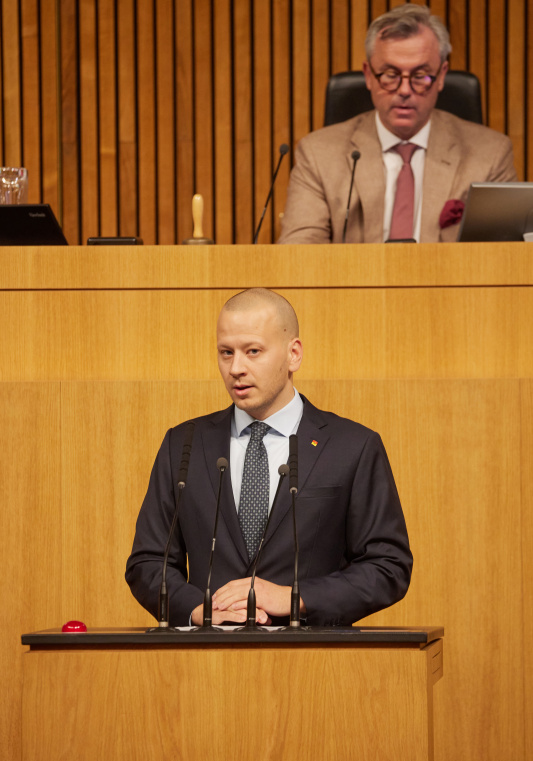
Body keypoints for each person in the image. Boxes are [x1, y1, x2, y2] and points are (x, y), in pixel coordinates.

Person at [126, 288, 412, 626]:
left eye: (253, 351)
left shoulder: (353, 446)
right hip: (207, 653)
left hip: (314, 654)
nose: (236, 368)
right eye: (226, 352)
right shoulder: (183, 444)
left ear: (293, 355)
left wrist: (295, 598)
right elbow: (148, 562)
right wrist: (197, 610)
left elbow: (388, 566)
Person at [278, 4, 517, 244]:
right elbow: (299, 252)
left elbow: (506, 255)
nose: (404, 90)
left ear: (441, 75)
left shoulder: (490, 155)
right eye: (391, 75)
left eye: (420, 76)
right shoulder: (318, 155)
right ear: (368, 75)